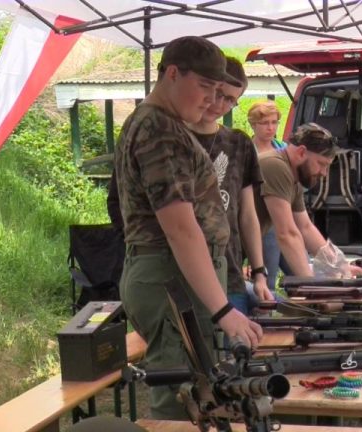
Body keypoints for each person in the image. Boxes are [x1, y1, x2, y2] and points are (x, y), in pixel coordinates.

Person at [114, 36, 263, 419]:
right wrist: (223, 310)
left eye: (219, 91)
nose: (211, 101)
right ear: (173, 73)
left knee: (199, 393)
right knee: (180, 404)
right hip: (172, 279)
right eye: (204, 87)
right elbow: (181, 229)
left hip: (178, 277)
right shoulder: (159, 129)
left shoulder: (165, 124)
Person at [187, 57, 273, 315]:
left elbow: (247, 215)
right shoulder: (175, 138)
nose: (221, 105)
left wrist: (259, 272)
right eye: (219, 94)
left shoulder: (238, 143)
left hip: (230, 270)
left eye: (231, 100)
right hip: (183, 271)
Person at [255, 123, 362, 278]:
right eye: (321, 164)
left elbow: (305, 227)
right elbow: (287, 233)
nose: (324, 173)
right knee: (268, 299)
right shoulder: (275, 165)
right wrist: (312, 286)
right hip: (222, 257)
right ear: (301, 152)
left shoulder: (293, 175)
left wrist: (340, 267)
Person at [247, 100, 291, 291]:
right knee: (268, 279)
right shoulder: (247, 151)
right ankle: (265, 318)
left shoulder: (283, 148)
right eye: (265, 123)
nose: (270, 127)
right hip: (263, 222)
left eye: (274, 122)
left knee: (303, 274)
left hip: (287, 218)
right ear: (253, 125)